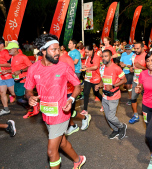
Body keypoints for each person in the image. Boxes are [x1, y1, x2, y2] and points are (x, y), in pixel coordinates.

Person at [27, 34, 86, 169]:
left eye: (58, 49)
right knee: (62, 143)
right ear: (43, 51)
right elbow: (28, 90)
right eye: (53, 49)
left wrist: (71, 99)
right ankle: (78, 159)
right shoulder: (33, 69)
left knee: (51, 151)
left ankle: (77, 159)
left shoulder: (63, 67)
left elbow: (77, 85)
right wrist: (30, 97)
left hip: (61, 113)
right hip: (46, 113)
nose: (57, 53)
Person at [95, 49, 127, 140]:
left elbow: (124, 80)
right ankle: (115, 129)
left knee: (111, 116)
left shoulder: (116, 68)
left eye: (106, 56)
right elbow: (103, 80)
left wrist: (113, 86)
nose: (104, 58)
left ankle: (122, 126)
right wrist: (98, 85)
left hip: (114, 96)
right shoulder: (102, 68)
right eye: (103, 56)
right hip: (105, 96)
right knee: (107, 116)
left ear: (110, 57)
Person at [59, 50, 91, 136]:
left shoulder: (66, 58)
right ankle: (72, 125)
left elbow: (71, 74)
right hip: (59, 90)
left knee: (70, 111)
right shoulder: (53, 59)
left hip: (68, 89)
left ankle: (84, 117)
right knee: (63, 110)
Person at [4, 42, 39, 118]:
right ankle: (31, 108)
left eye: (10, 49)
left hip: (24, 80)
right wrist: (7, 71)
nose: (8, 51)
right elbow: (14, 69)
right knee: (19, 98)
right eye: (8, 49)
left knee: (20, 99)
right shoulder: (12, 58)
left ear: (15, 49)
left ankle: (34, 105)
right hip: (16, 80)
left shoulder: (23, 57)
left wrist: (21, 71)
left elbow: (30, 67)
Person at [81, 45, 102, 115]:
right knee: (86, 93)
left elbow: (95, 67)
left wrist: (86, 69)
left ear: (92, 50)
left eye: (87, 52)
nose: (86, 54)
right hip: (88, 78)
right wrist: (82, 66)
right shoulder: (87, 57)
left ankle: (105, 104)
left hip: (95, 78)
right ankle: (85, 110)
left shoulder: (96, 57)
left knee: (96, 93)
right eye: (85, 52)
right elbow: (86, 65)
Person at [129, 42, 147, 124]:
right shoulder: (133, 56)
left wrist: (141, 67)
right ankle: (135, 115)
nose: (135, 50)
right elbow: (133, 66)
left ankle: (148, 114)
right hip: (136, 81)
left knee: (147, 99)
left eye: (137, 48)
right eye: (135, 48)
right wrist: (132, 69)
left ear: (143, 48)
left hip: (146, 82)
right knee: (133, 98)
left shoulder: (147, 56)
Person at [0, 39, 16, 116]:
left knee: (13, 92)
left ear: (1, 44)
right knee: (2, 92)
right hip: (1, 76)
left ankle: (30, 103)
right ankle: (6, 109)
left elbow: (11, 64)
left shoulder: (6, 52)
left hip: (8, 75)